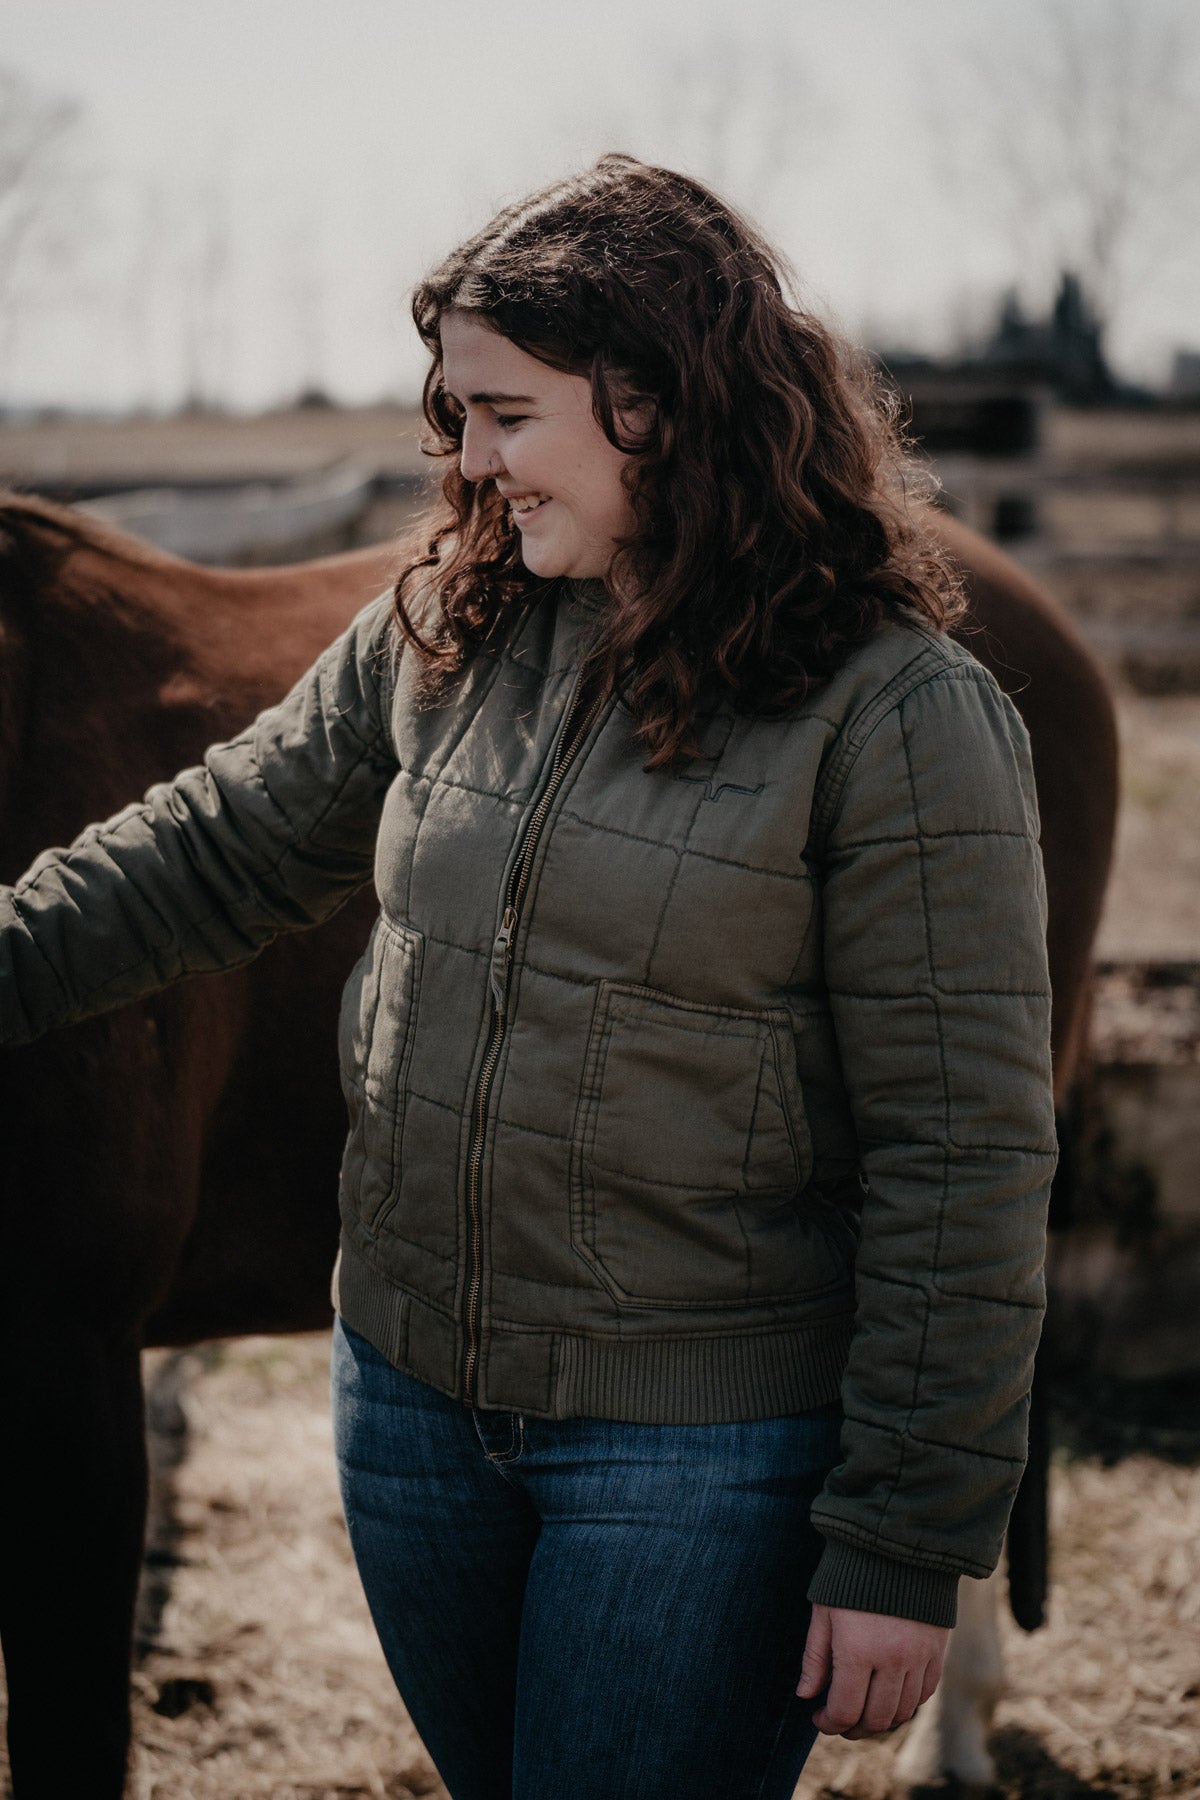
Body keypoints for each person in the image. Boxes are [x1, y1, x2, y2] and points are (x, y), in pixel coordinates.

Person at [0, 156, 1056, 1800]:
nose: (465, 464)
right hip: (416, 1419)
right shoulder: (449, 626)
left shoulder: (897, 715)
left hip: (696, 1455)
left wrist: (904, 1541)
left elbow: (966, 1154)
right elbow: (212, 850)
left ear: (658, 398)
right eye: (454, 416)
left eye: (505, 414)